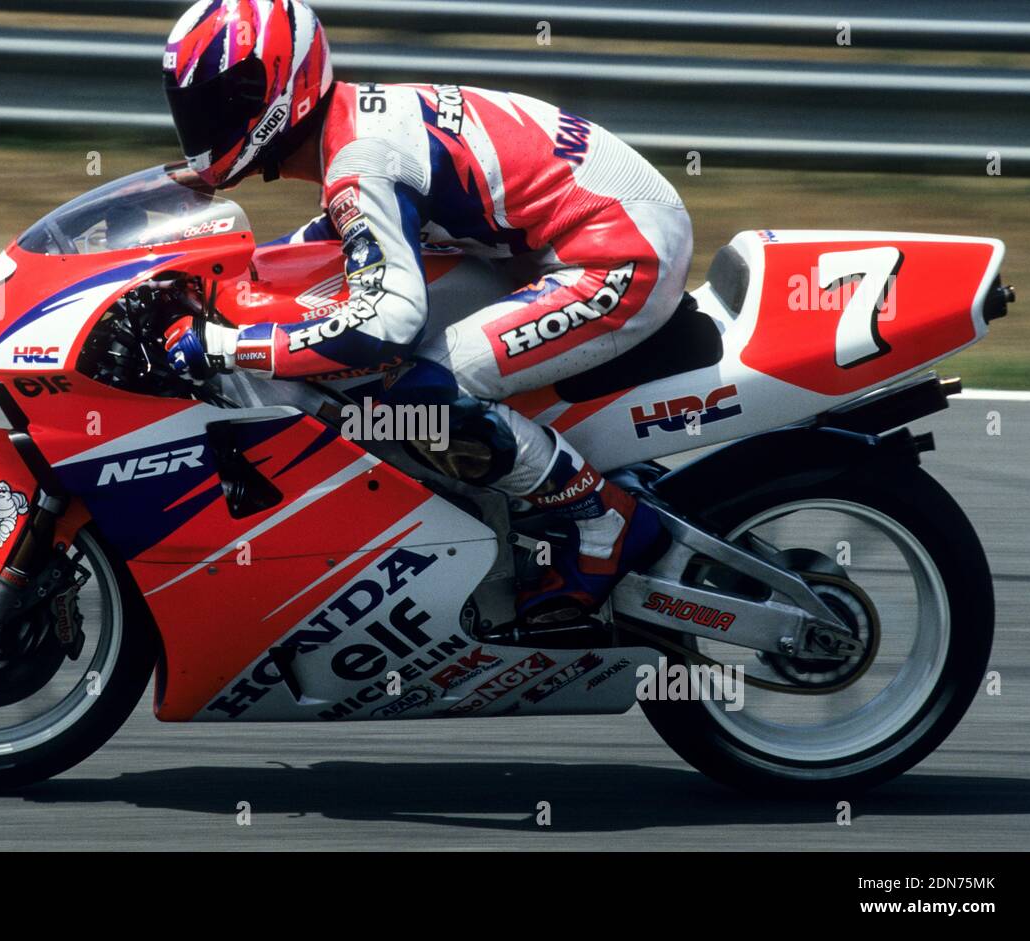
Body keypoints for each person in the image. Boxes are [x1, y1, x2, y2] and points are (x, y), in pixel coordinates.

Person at [161, 0, 692, 628]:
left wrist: (227, 348)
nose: (204, 123)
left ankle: (605, 524)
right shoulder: (351, 130)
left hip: (617, 252)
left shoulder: (361, 160)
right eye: (191, 106)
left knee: (420, 397)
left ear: (280, 85)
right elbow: (327, 241)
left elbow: (386, 322)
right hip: (552, 237)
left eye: (220, 102)